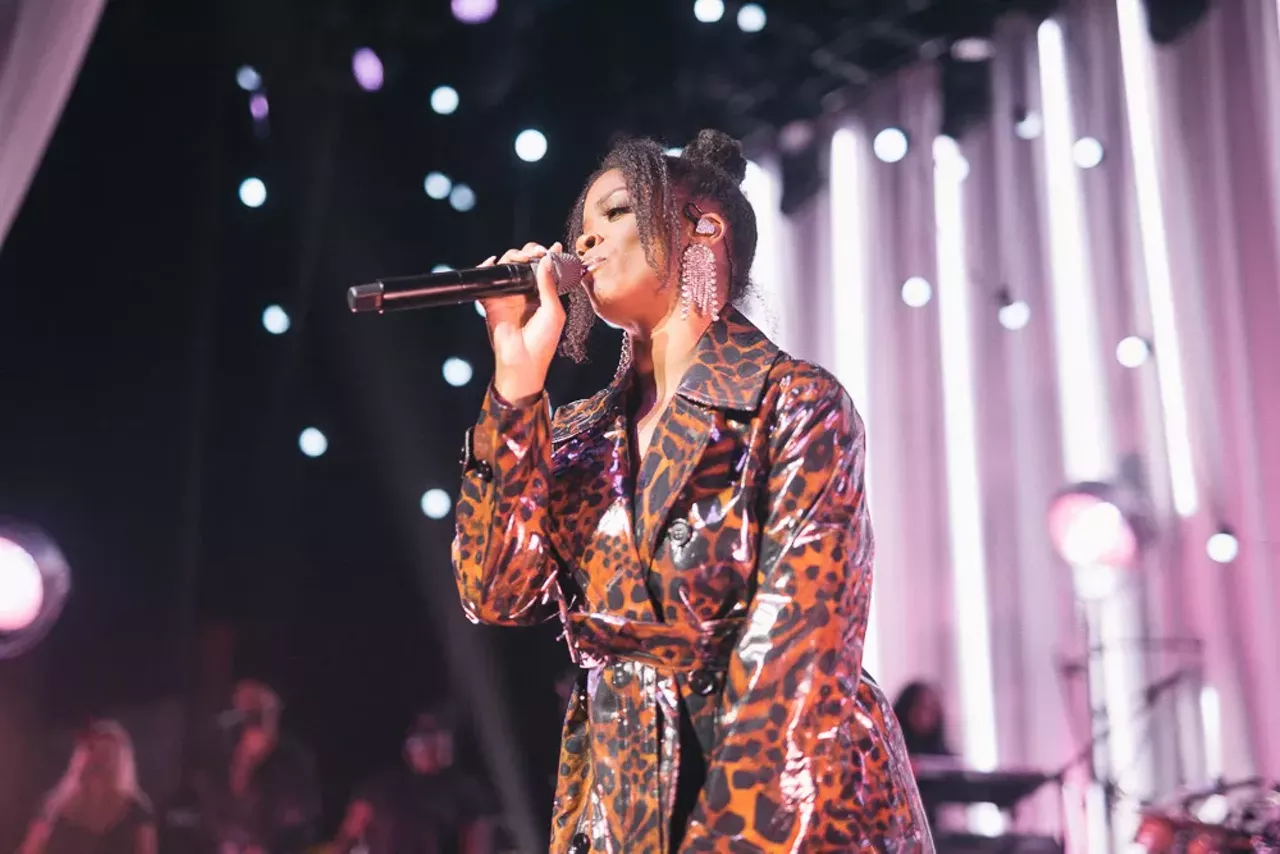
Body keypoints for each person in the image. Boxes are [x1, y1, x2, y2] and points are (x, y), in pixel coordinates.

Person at [451, 129, 932, 852]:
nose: (587, 239)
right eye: (581, 227)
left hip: (782, 800)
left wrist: (731, 837)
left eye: (616, 213)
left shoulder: (794, 405)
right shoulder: (577, 434)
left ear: (703, 230)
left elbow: (800, 652)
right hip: (622, 799)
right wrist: (517, 386)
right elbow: (494, 591)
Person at [330, 709, 495, 854]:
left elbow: (477, 842)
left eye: (443, 735)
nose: (439, 742)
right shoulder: (379, 788)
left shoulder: (465, 793)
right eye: (428, 736)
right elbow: (347, 836)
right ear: (411, 745)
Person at [192, 678, 321, 854]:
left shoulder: (292, 760)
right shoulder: (218, 759)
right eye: (253, 715)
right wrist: (243, 766)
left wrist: (264, 847)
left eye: (269, 713)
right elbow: (208, 813)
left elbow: (298, 820)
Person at [18, 720, 157, 854]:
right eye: (94, 753)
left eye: (107, 754)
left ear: (120, 762)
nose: (99, 762)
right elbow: (30, 850)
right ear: (81, 758)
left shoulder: (137, 808)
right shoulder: (53, 805)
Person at [893, 681, 952, 760]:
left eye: (934, 709)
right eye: (925, 707)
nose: (932, 716)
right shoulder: (891, 752)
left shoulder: (946, 761)